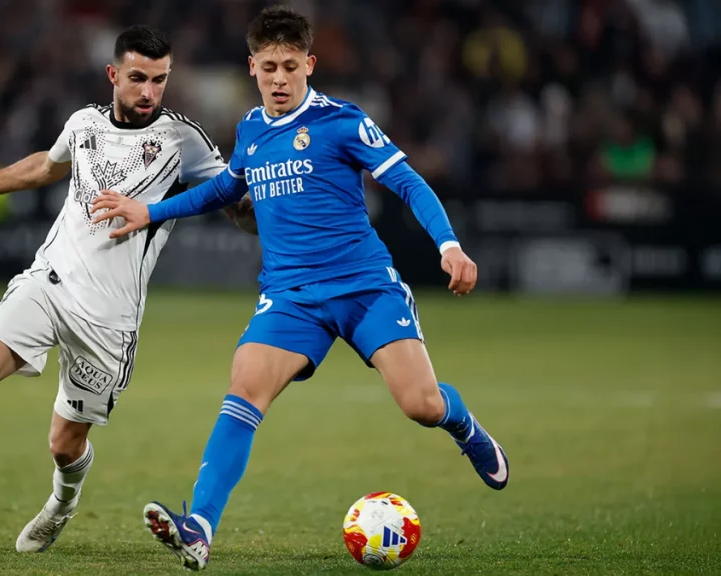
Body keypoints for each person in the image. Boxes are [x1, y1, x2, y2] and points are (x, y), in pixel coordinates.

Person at [91, 6, 508, 571]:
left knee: (421, 404)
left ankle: (463, 424)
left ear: (309, 64)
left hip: (364, 287)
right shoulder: (252, 132)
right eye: (269, 67)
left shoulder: (343, 122)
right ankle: (200, 526)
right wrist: (153, 210)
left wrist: (449, 245)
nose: (280, 78)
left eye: (291, 66)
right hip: (289, 298)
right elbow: (221, 191)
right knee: (243, 391)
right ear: (252, 67)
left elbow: (406, 182)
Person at [0, 25, 255, 552]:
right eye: (137, 78)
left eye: (159, 80)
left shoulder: (184, 141)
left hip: (110, 321)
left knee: (65, 443)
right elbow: (45, 165)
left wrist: (277, 209)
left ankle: (61, 503)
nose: (149, 92)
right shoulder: (83, 123)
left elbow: (234, 205)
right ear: (113, 75)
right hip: (49, 283)